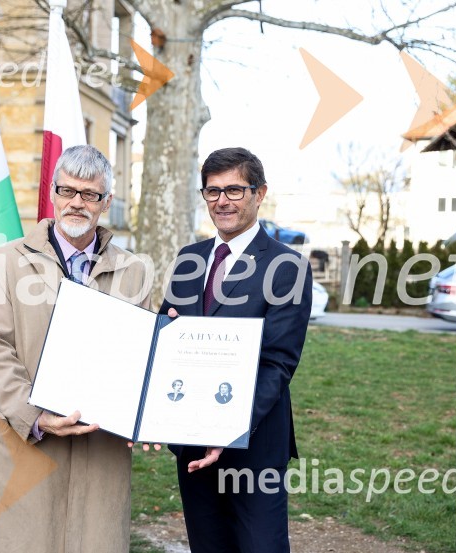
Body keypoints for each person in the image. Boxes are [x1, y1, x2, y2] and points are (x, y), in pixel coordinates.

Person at [0, 145, 150, 552]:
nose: (76, 203)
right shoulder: (6, 260)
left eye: (90, 194)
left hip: (99, 449)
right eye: (67, 191)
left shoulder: (135, 272)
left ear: (107, 202)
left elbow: (142, 358)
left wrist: (146, 417)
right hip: (22, 440)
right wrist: (36, 416)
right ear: (52, 193)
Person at [160, 147, 312, 552]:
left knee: (260, 546)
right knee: (207, 545)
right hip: (191, 440)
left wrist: (226, 427)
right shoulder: (188, 260)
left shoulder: (288, 267)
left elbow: (278, 363)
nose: (222, 201)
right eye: (212, 191)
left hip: (253, 442)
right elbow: (164, 338)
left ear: (260, 193)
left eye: (234, 190)